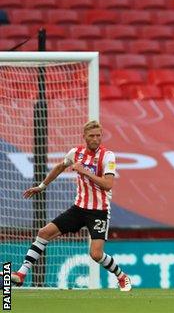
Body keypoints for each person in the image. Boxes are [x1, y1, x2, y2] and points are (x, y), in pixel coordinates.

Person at [11, 121, 131, 291]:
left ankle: (121, 276)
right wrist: (41, 186)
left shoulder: (108, 156)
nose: (96, 139)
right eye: (92, 136)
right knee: (44, 233)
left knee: (95, 254)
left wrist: (85, 172)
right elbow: (60, 167)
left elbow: (108, 184)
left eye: (98, 135)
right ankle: (21, 274)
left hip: (99, 211)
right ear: (84, 137)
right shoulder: (76, 153)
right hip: (79, 208)